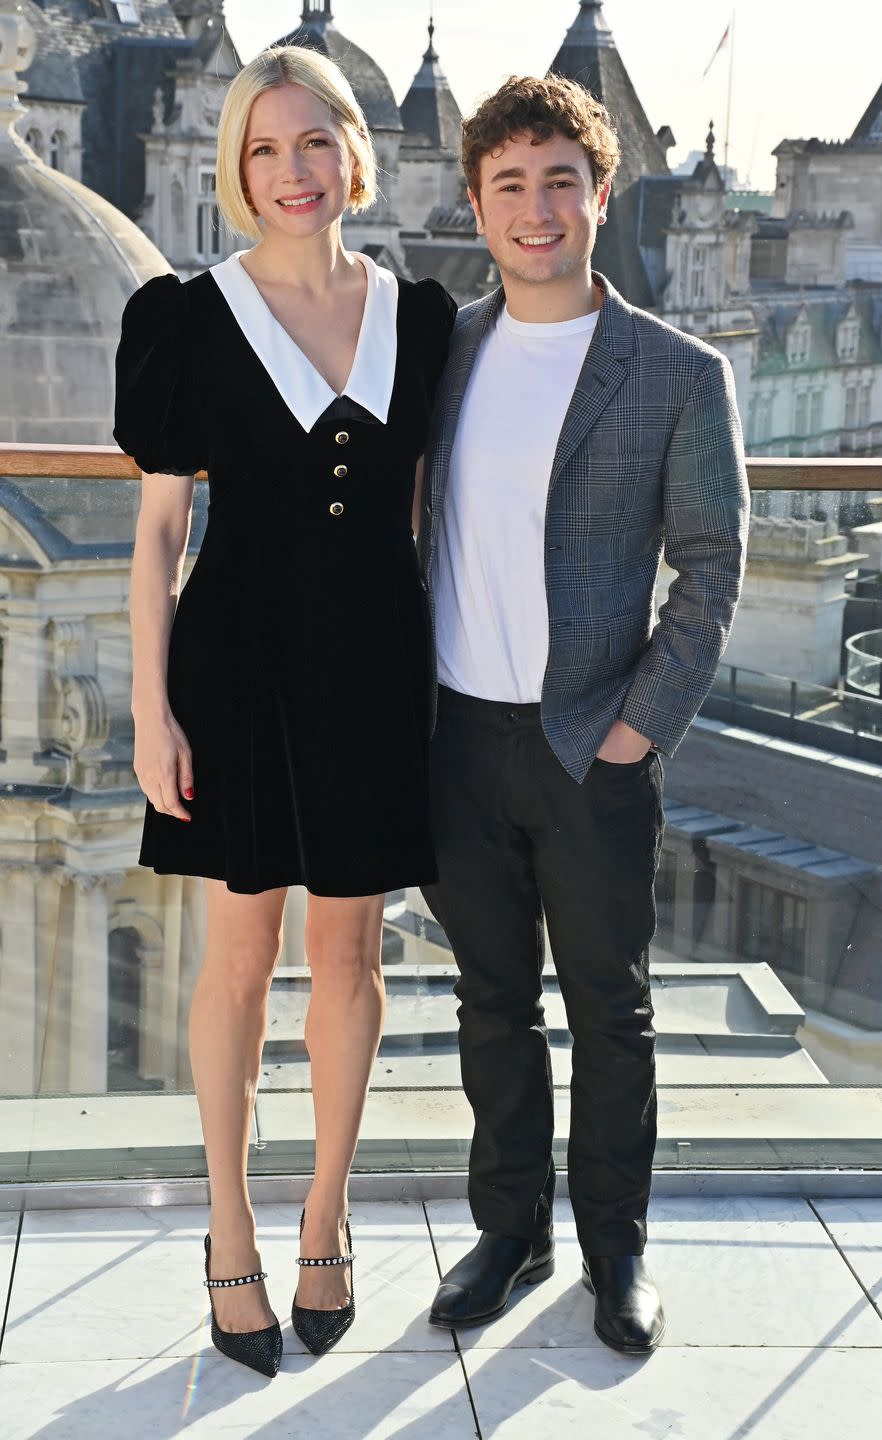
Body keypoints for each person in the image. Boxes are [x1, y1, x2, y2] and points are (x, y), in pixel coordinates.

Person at [114, 46, 456, 1375]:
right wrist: (151, 712)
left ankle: (325, 1219)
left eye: (314, 142)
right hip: (234, 669)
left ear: (354, 155)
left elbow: (424, 510)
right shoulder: (184, 317)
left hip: (373, 667)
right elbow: (155, 534)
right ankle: (226, 1231)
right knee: (238, 967)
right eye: (264, 149)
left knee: (352, 966)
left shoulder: (422, 318)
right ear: (235, 171)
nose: (292, 171)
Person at [418, 75, 749, 1354]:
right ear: (479, 204)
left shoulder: (676, 372)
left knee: (611, 1010)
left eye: (563, 180)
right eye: (511, 185)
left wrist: (636, 733)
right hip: (457, 737)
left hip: (592, 747)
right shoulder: (442, 353)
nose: (538, 208)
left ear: (602, 193)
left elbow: (715, 568)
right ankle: (511, 1234)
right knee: (490, 1001)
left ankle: (617, 1253)